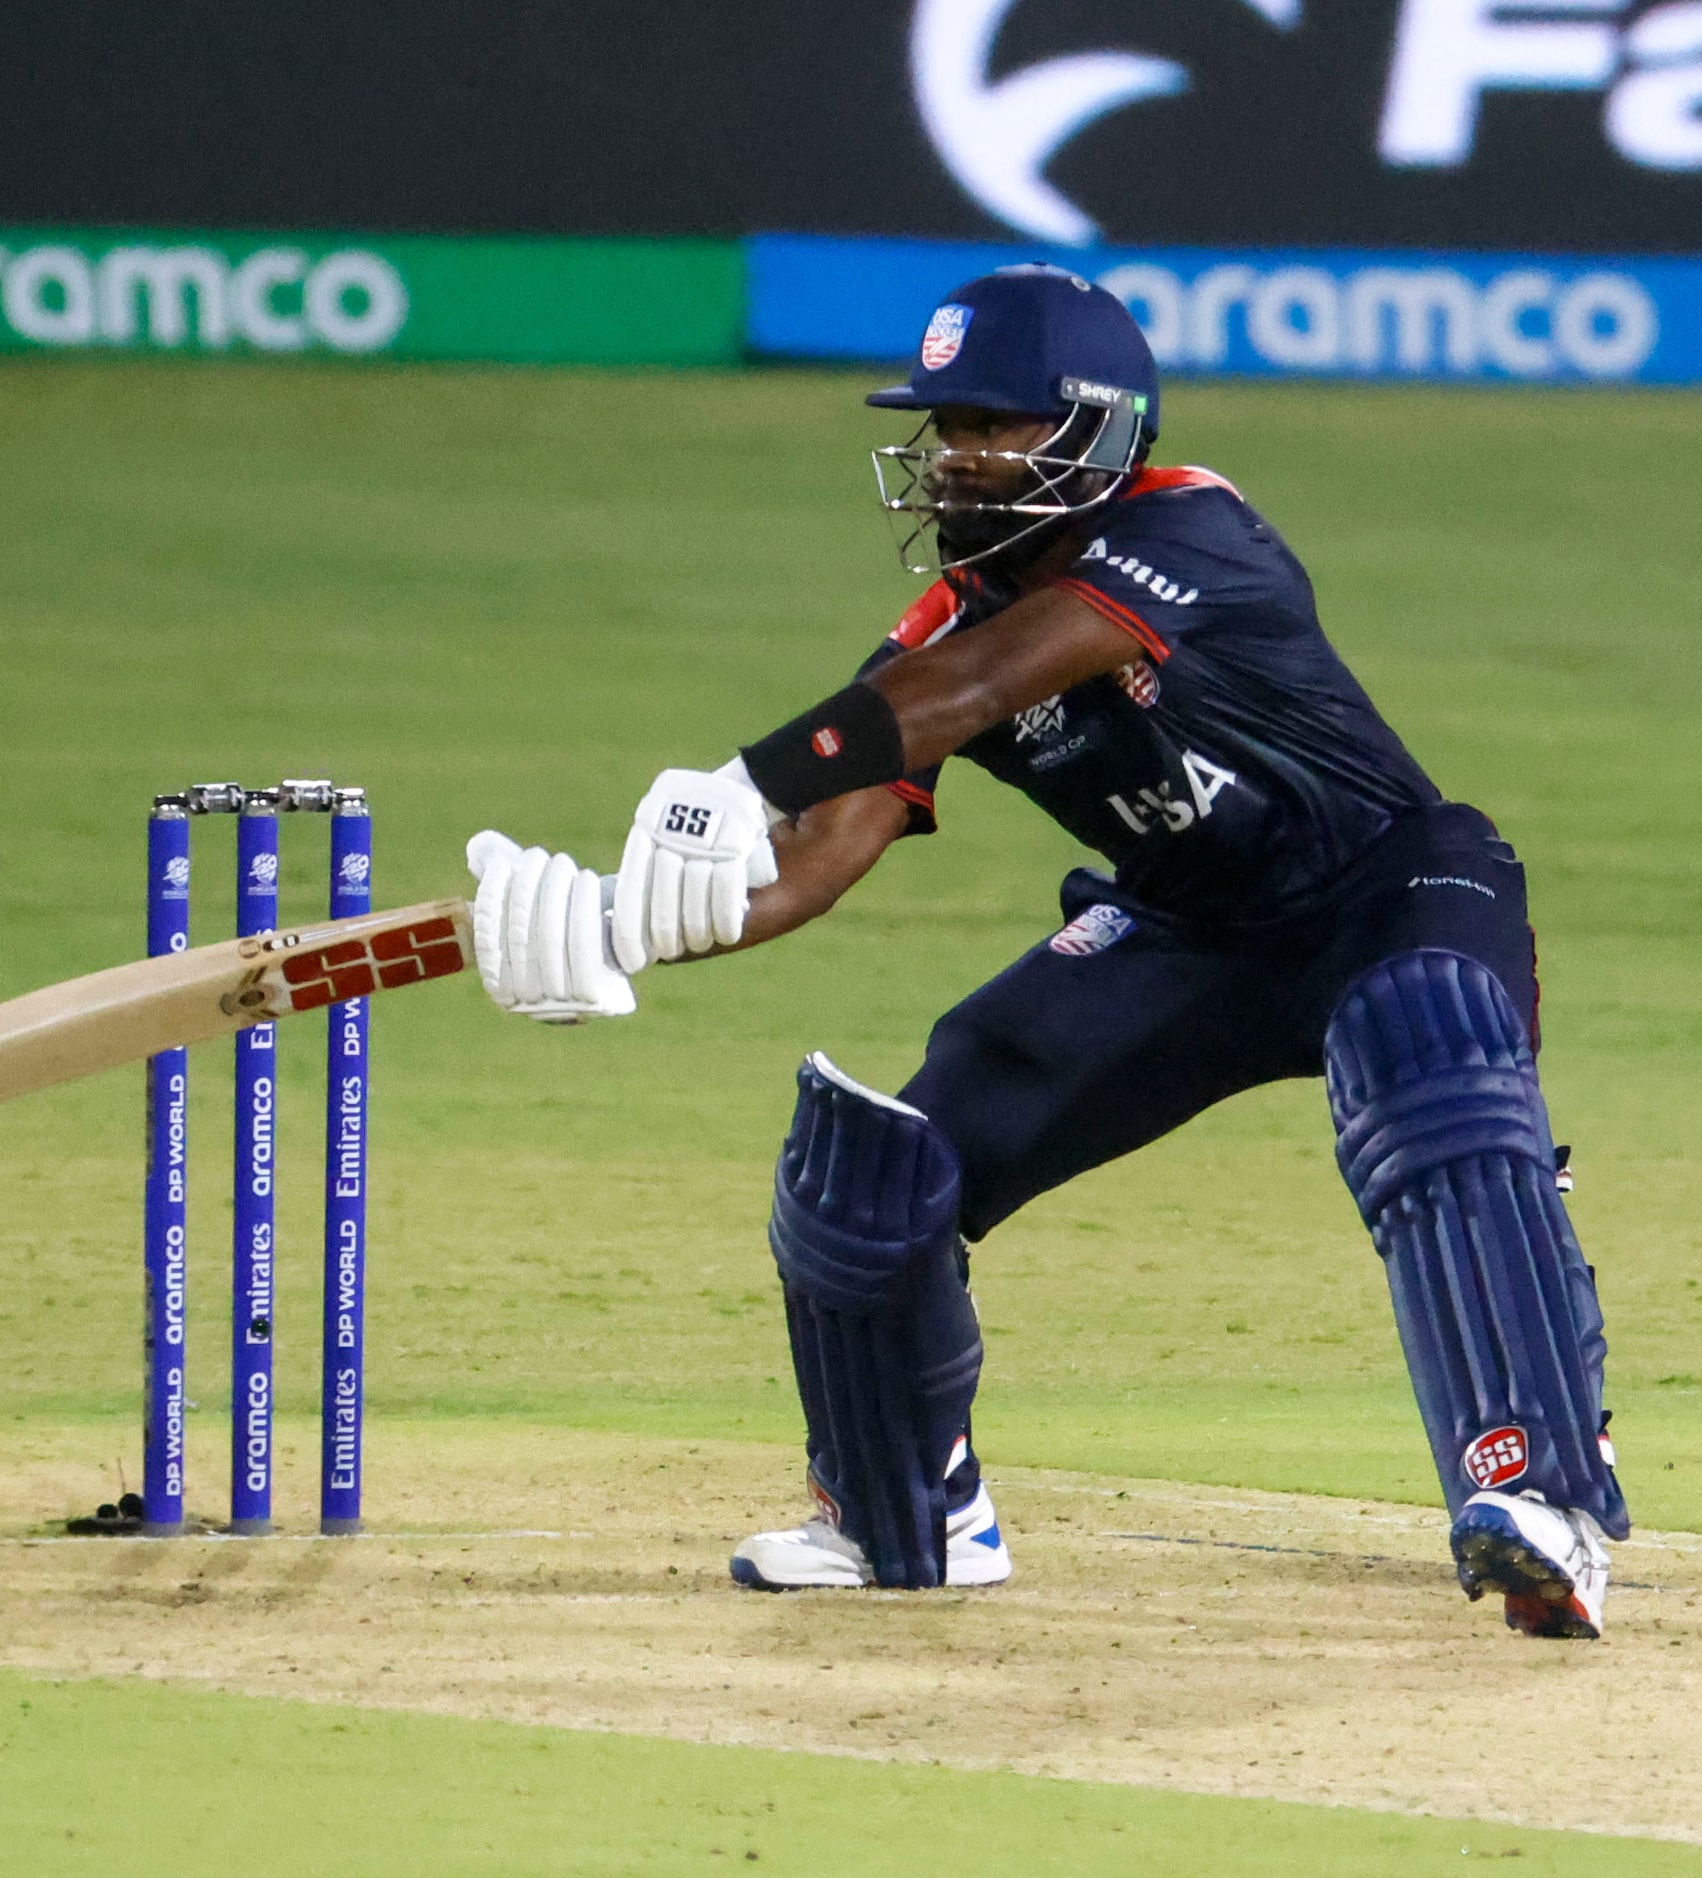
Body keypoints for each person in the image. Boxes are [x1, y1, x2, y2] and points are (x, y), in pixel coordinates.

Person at [465, 266, 1625, 1639]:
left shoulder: (1186, 524)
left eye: (990, 427)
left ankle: (1538, 1494)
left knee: (1423, 1058)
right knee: (881, 1166)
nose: (954, 460)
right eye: (943, 429)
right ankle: (904, 1512)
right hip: (1186, 925)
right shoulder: (937, 629)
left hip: (1384, 884)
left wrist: (741, 766)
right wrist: (618, 922)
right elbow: (819, 854)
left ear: (1090, 427)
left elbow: (973, 690)